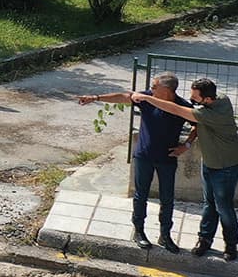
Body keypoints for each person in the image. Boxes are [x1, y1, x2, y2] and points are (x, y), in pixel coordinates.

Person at [134, 78, 238, 261]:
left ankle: (231, 244)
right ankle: (205, 240)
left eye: (195, 98)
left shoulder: (211, 114)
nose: (191, 100)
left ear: (207, 100)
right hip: (210, 162)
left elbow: (176, 109)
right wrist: (186, 144)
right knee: (209, 203)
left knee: (223, 206)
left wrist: (148, 99)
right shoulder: (221, 98)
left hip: (226, 166)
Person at [79, 74, 190, 252]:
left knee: (167, 198)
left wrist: (186, 145)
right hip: (144, 156)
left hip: (167, 159)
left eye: (155, 87)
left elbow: (198, 123)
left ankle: (165, 235)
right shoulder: (147, 98)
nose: (151, 89)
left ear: (167, 90)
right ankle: (139, 231)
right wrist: (96, 98)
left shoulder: (182, 106)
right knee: (141, 195)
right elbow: (124, 96)